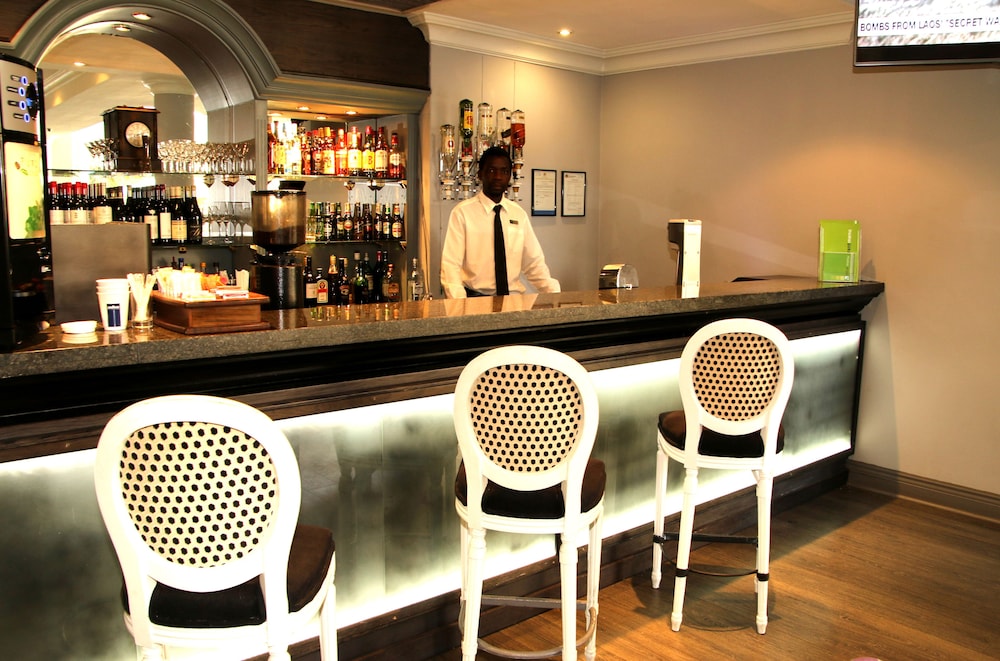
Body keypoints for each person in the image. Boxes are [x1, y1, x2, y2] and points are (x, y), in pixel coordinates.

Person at [440, 146, 560, 298]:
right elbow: (451, 267)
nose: (498, 176)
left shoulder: (518, 214)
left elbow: (534, 264)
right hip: (475, 300)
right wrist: (460, 305)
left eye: (504, 171)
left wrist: (556, 297)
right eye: (492, 170)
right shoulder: (462, 213)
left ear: (509, 176)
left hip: (513, 301)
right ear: (480, 174)